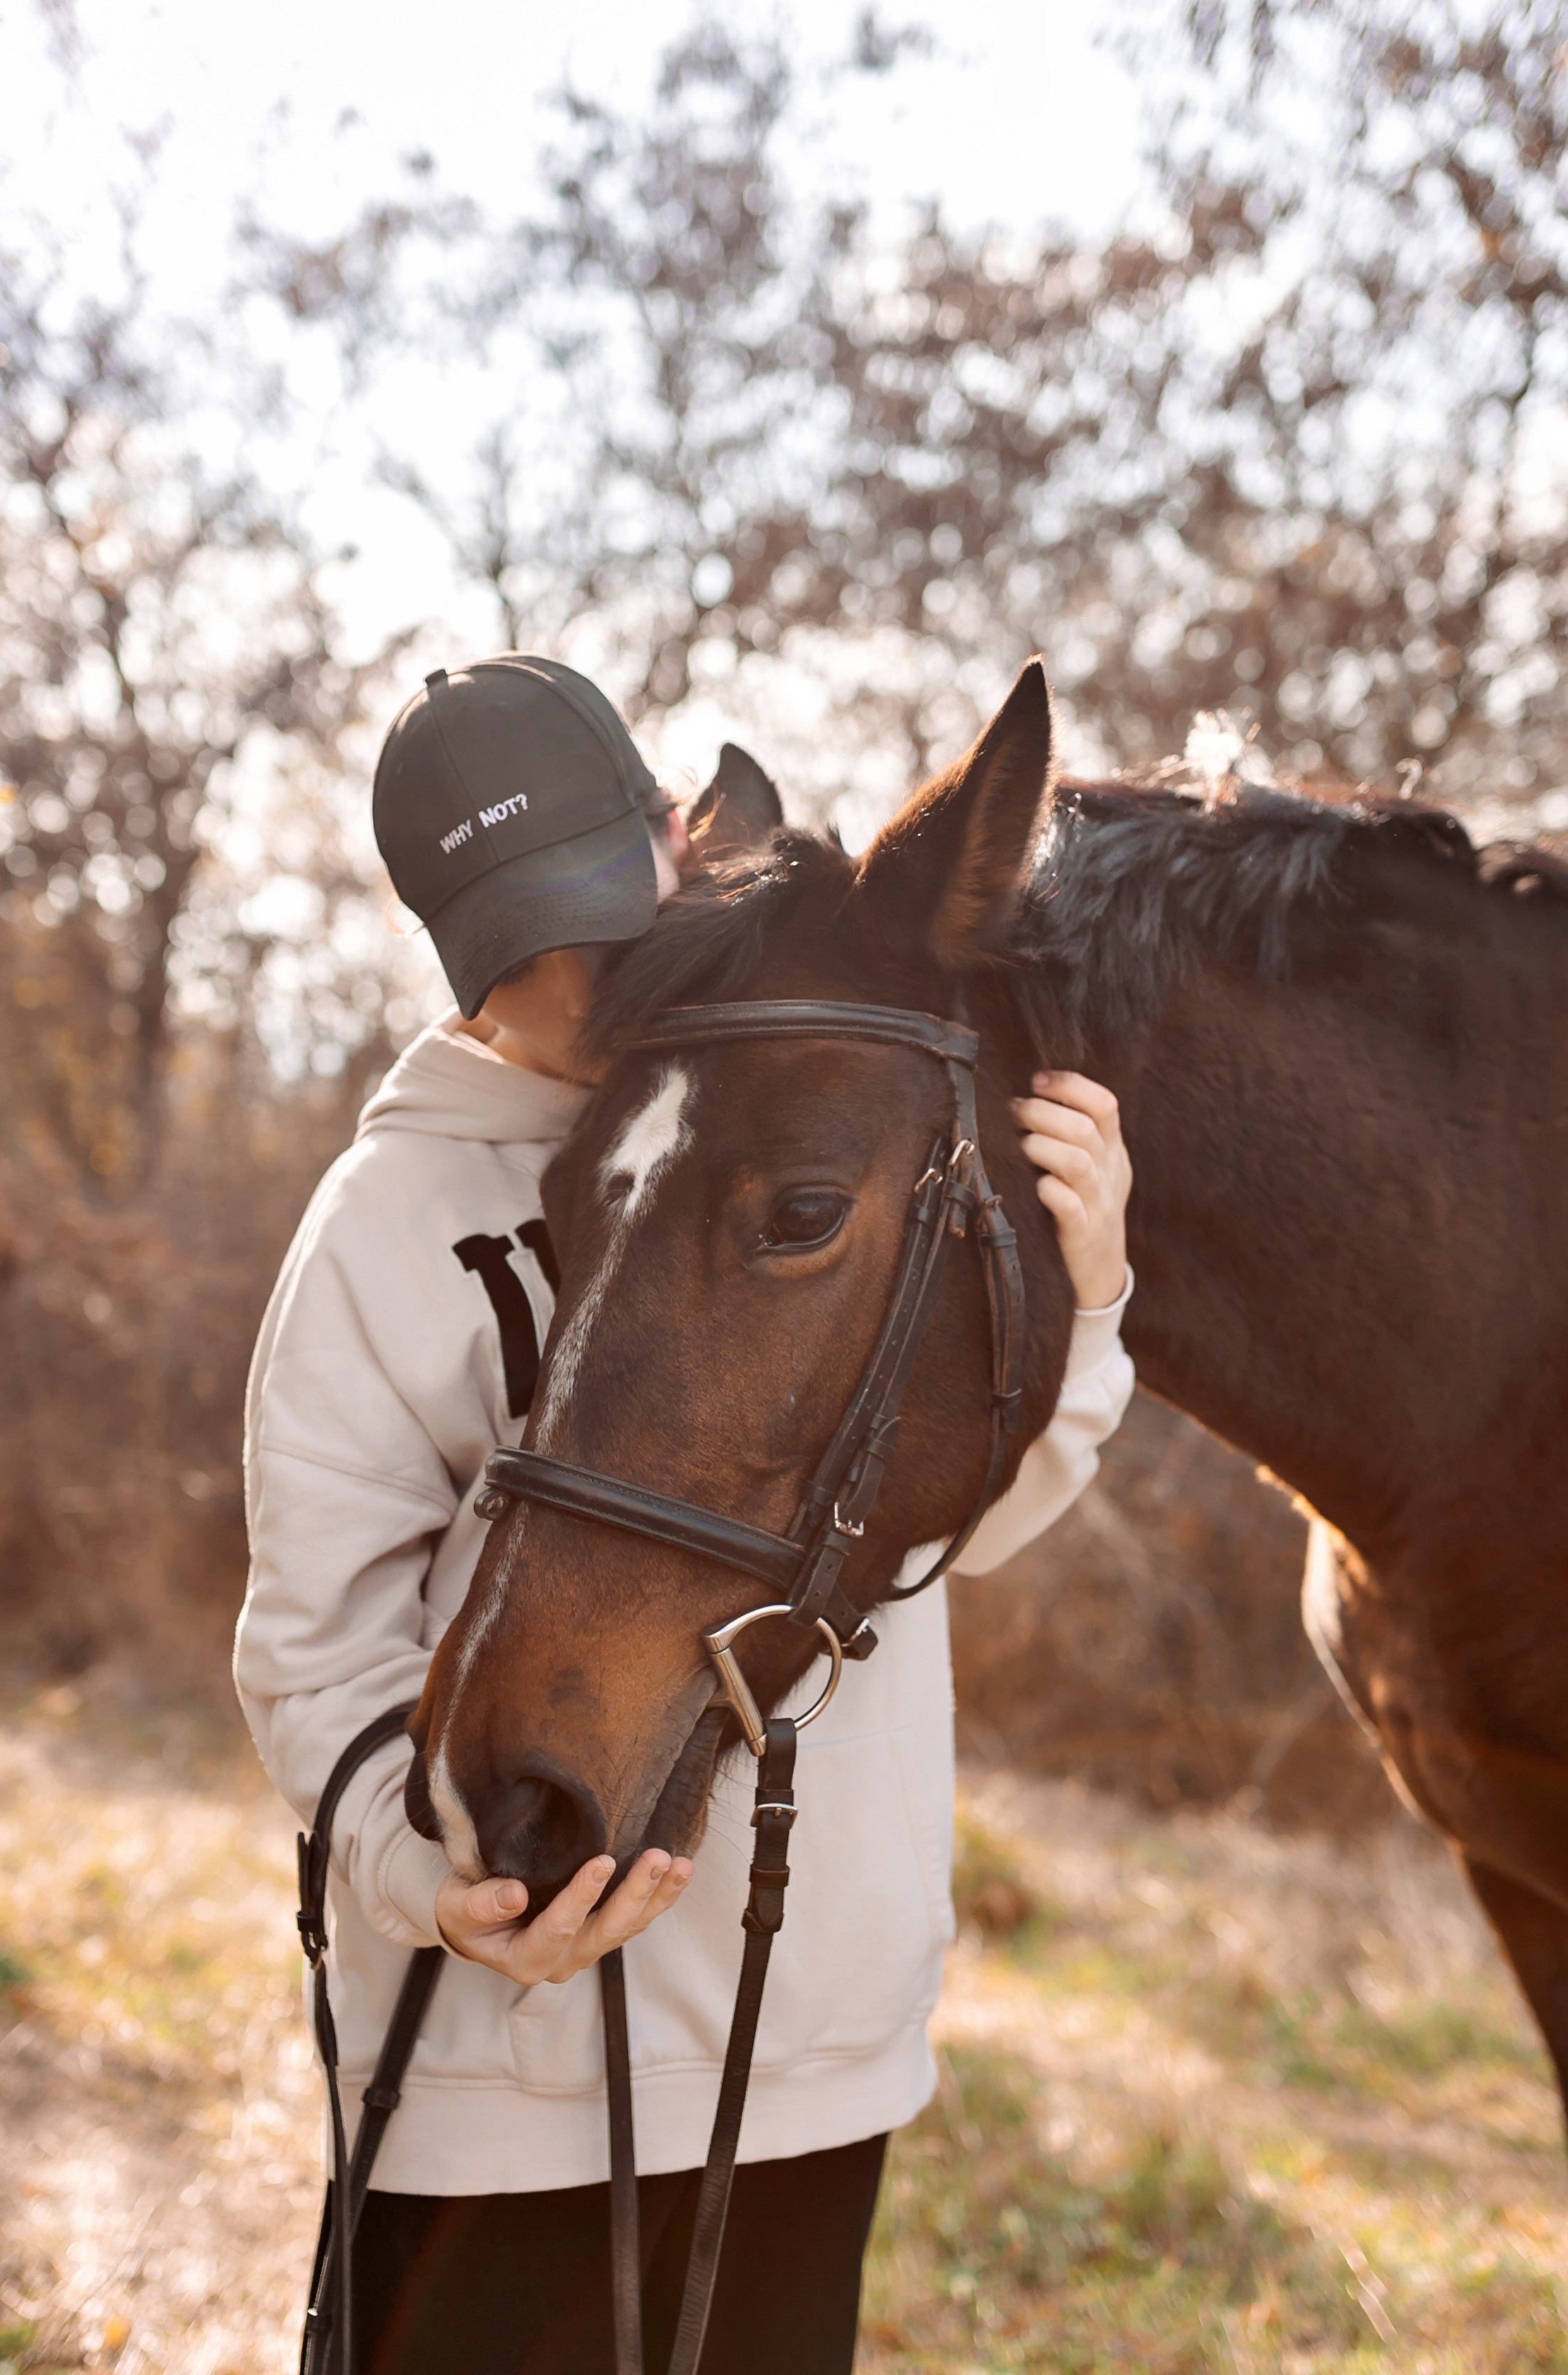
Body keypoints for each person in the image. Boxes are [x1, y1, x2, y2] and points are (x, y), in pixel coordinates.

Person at [235, 653, 1135, 2375]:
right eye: (510, 943)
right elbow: (308, 1643)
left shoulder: (801, 1097)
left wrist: (1086, 1314)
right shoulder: (381, 1220)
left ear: (676, 842)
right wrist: (424, 1876)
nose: (568, 980)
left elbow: (921, 1547)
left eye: (594, 910)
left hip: (804, 2047)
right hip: (497, 2054)